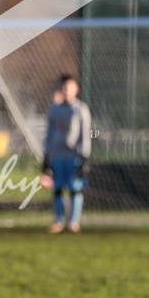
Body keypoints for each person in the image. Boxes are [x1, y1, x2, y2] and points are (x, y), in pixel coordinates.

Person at [42, 74, 92, 233]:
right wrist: (46, 156)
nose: (66, 91)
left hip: (74, 157)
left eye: (68, 88)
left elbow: (85, 134)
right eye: (63, 88)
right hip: (57, 156)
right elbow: (49, 134)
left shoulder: (81, 109)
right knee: (57, 189)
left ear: (76, 89)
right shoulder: (54, 110)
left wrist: (85, 157)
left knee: (74, 188)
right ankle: (58, 221)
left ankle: (73, 222)